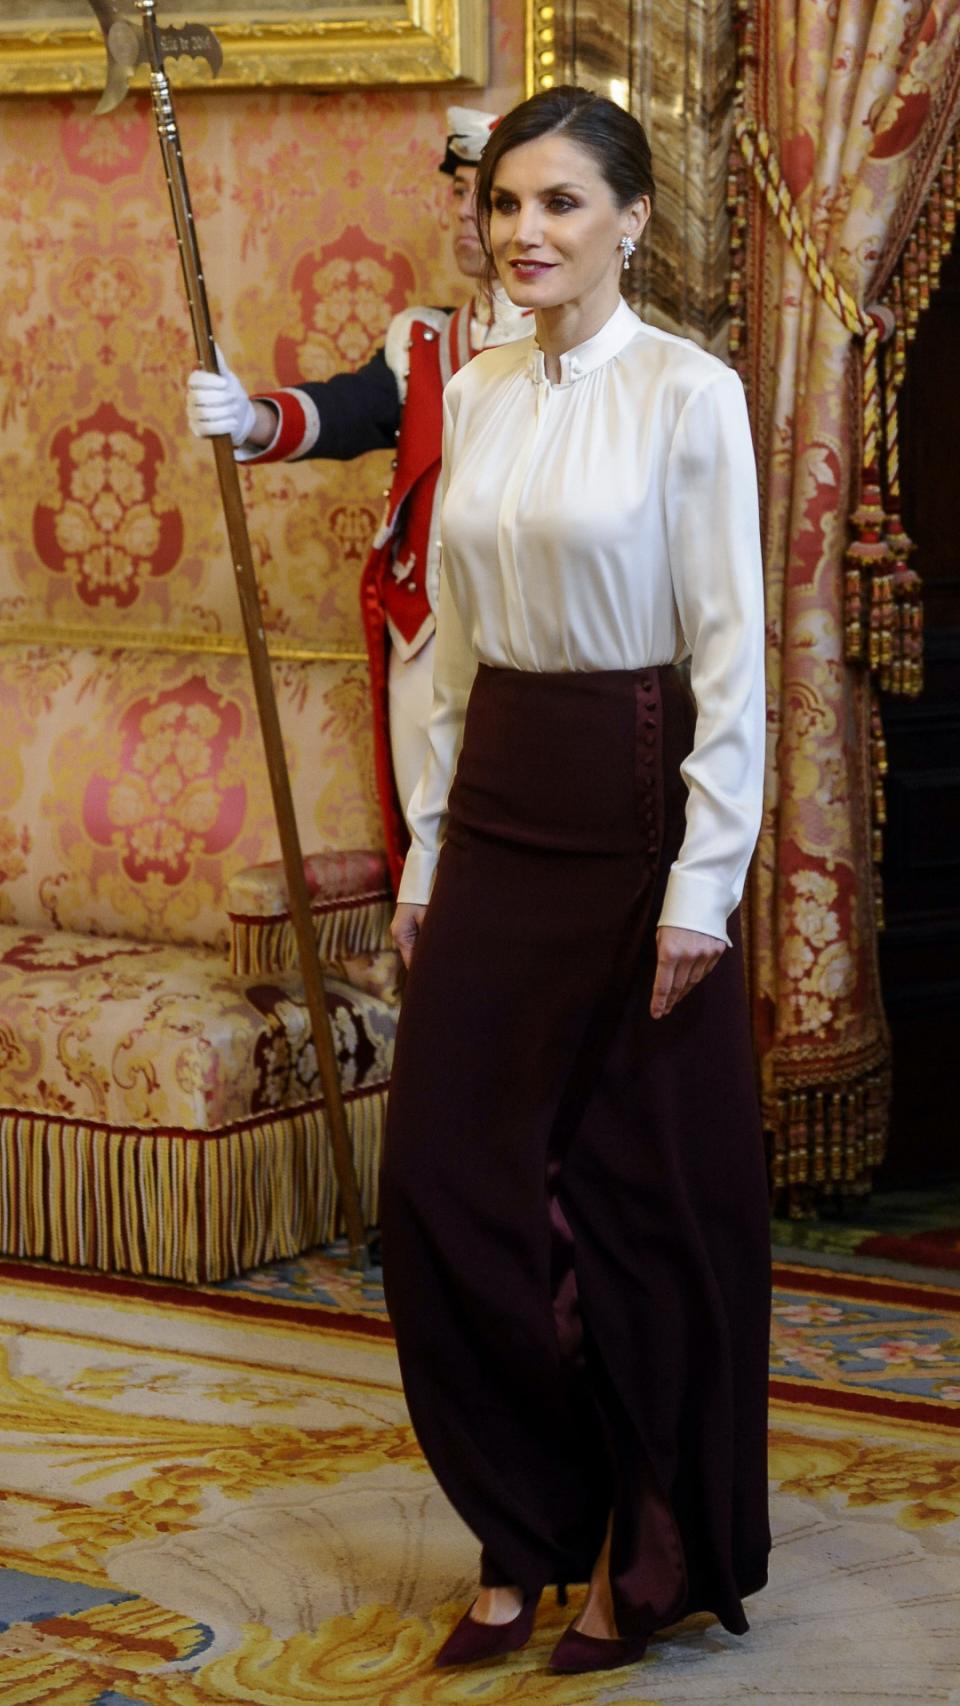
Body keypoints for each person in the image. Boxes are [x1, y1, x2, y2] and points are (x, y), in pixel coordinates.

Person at [379, 85, 771, 1677]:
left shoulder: (691, 393)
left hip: (633, 820)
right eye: (506, 204)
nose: (524, 232)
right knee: (445, 1192)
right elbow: (448, 652)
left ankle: (643, 1543)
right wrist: (427, 845)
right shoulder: (473, 392)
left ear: (632, 221)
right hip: (495, 817)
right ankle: (524, 1518)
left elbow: (733, 658)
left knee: (632, 1206)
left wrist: (704, 884)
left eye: (560, 203)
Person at [185, 108, 534, 890]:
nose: (464, 214)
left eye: (488, 196)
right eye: (459, 193)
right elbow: (349, 411)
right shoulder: (425, 341)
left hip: (531, 649)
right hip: (425, 637)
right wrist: (249, 417)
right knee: (432, 863)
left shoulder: (586, 351)